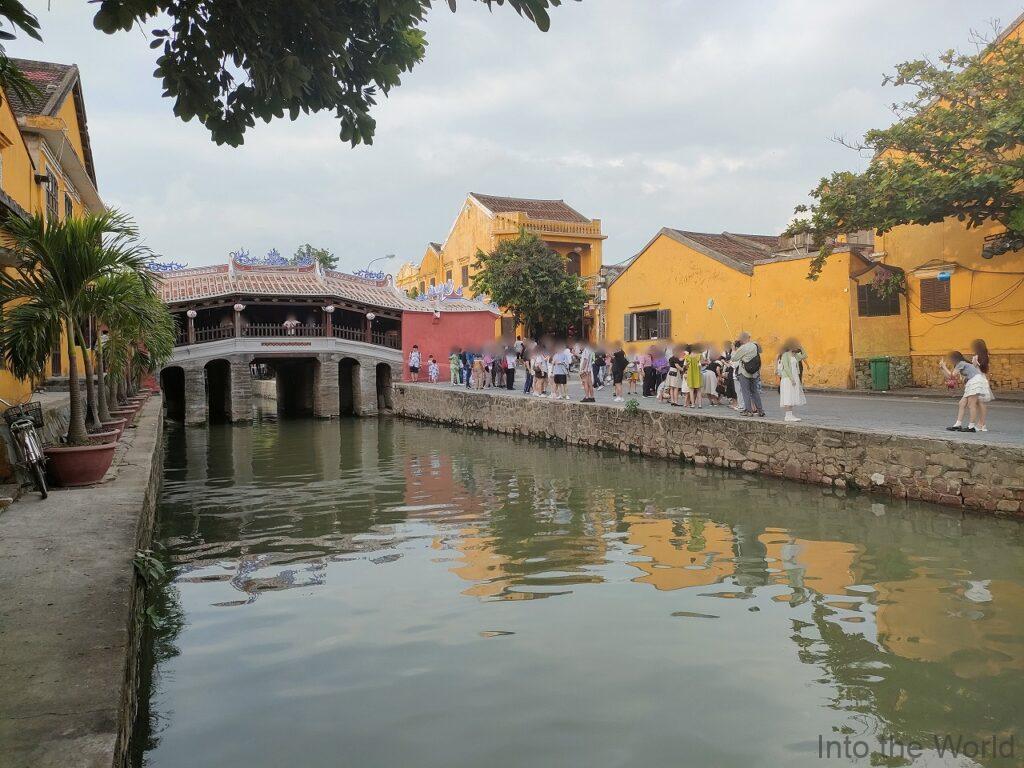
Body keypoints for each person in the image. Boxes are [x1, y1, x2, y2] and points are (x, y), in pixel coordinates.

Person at [940, 351, 992, 432]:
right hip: (972, 382)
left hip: (975, 382)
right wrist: (942, 368)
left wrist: (944, 366)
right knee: (962, 403)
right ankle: (958, 425)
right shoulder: (960, 364)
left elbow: (952, 375)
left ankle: (971, 427)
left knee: (971, 404)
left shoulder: (961, 363)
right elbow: (951, 377)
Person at [732, 332, 765, 417]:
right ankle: (760, 410)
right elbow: (761, 351)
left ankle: (749, 411)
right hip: (754, 372)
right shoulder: (755, 345)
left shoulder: (742, 348)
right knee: (755, 391)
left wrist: (734, 349)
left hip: (744, 372)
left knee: (745, 391)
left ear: (742, 339)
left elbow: (734, 358)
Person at [777, 340, 807, 421]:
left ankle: (790, 415)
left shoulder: (795, 355)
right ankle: (787, 416)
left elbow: (804, 355)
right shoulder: (785, 355)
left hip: (794, 378)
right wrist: (792, 378)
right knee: (788, 396)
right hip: (788, 378)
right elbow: (786, 367)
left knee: (792, 396)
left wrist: (801, 347)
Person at [970, 339, 994, 432]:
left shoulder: (976, 357)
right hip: (982, 379)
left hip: (977, 379)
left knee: (979, 402)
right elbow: (985, 370)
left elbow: (974, 369)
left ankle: (982, 424)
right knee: (980, 402)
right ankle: (981, 423)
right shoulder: (985, 356)